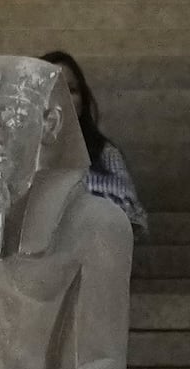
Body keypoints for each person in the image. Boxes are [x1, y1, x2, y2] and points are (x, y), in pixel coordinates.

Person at [39, 49, 147, 236]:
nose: (63, 98)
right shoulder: (16, 154)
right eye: (52, 90)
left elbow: (132, 219)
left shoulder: (104, 153)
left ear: (83, 100)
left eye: (71, 90)